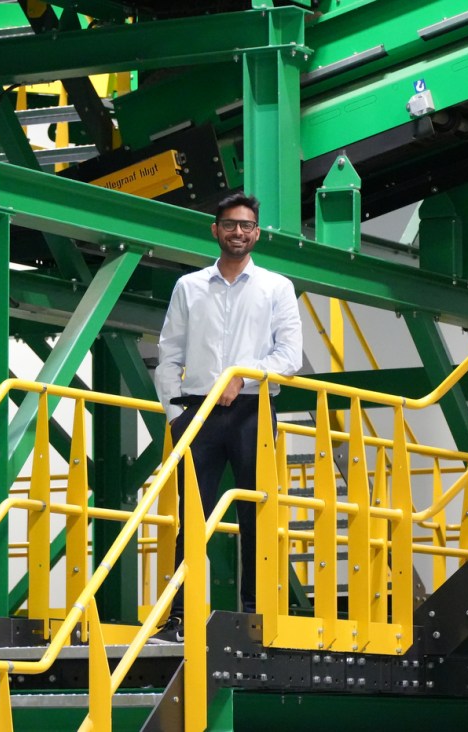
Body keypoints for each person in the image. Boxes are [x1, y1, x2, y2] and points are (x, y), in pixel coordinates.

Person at [151, 192, 303, 642]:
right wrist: (173, 411)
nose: (239, 232)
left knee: (256, 513)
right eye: (231, 224)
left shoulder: (276, 287)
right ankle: (181, 617)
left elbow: (290, 356)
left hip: (253, 412)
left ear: (256, 233)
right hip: (196, 414)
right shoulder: (189, 287)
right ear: (215, 230)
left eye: (247, 226)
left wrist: (246, 376)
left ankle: (256, 615)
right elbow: (168, 353)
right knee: (190, 517)